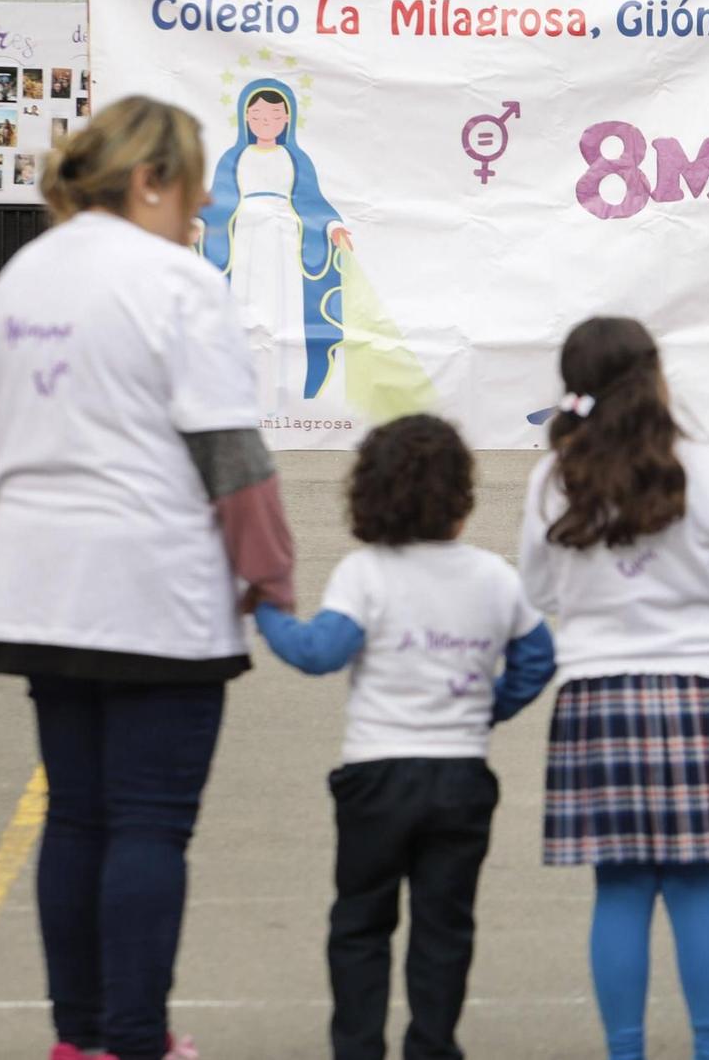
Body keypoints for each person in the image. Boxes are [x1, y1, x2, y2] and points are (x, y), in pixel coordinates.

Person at [0, 97, 296, 1060]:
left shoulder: (16, 280)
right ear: (150, 180)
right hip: (154, 591)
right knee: (150, 825)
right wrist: (271, 577)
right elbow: (231, 454)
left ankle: (80, 1039)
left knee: (74, 819)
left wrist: (35, 554)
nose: (196, 212)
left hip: (40, 589)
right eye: (189, 190)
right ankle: (136, 1038)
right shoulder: (175, 282)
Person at [252, 415, 555, 1060]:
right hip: (461, 776)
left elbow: (320, 653)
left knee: (360, 921)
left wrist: (268, 613)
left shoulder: (365, 574)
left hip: (377, 776)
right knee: (444, 926)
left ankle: (358, 1047)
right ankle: (432, 1045)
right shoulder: (493, 576)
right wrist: (486, 708)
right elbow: (537, 658)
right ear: (462, 497)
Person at [517, 317, 709, 1060]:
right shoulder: (704, 465)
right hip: (701, 689)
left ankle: (625, 1051)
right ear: (655, 377)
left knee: (620, 888)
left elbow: (537, 588)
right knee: (697, 887)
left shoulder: (553, 475)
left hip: (597, 696)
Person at [197, 79, 354, 405]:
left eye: (272, 116)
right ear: (246, 118)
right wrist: (199, 224)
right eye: (257, 115)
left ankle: (290, 386)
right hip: (246, 242)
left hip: (284, 244)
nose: (264, 122)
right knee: (243, 311)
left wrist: (333, 227)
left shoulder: (295, 159)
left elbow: (313, 201)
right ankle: (242, 386)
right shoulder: (234, 158)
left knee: (287, 312)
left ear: (286, 119)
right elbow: (216, 201)